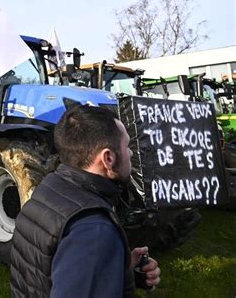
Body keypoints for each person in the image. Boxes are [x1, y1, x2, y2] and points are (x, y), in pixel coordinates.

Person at [10, 105, 161, 297]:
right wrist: (101, 254)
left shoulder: (52, 185)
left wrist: (119, 268)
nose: (130, 153)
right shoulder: (93, 230)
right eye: (126, 146)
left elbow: (46, 272)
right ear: (108, 158)